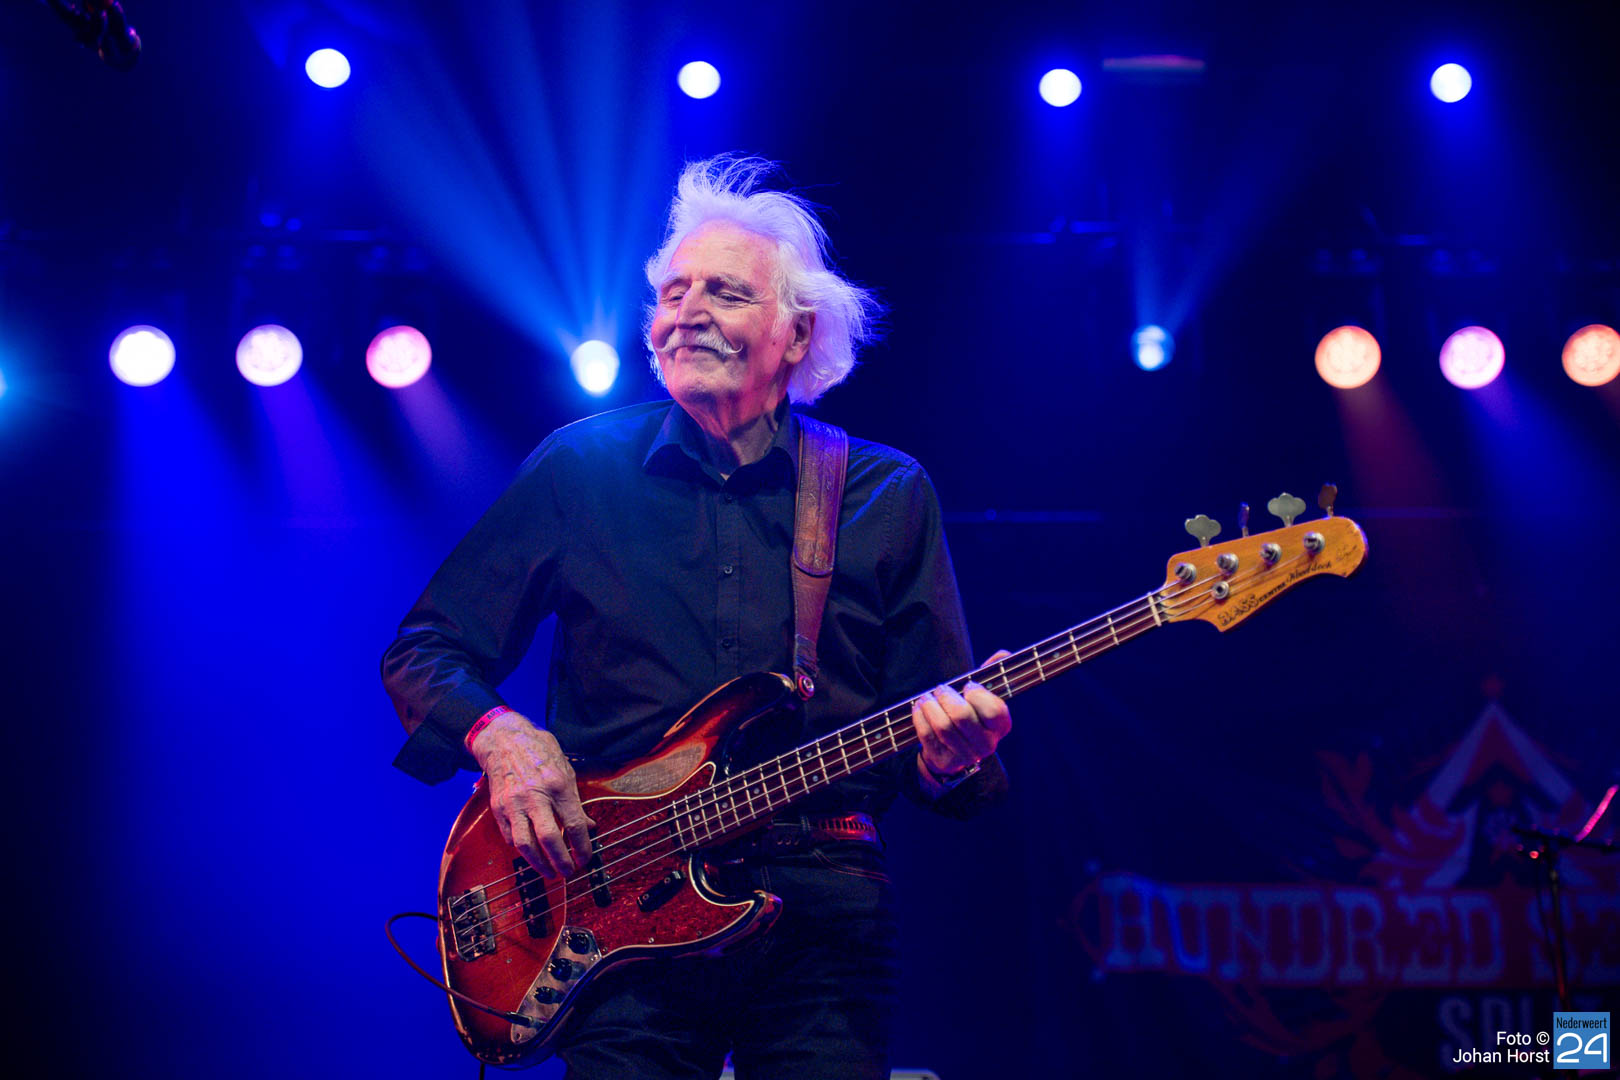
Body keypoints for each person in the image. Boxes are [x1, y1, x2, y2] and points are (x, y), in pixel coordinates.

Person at [382, 156, 1012, 1079]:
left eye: (725, 291)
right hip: (615, 910)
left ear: (798, 334)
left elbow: (933, 737)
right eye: (673, 292)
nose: (686, 311)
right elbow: (425, 648)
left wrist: (955, 756)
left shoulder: (885, 493)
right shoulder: (580, 470)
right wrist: (502, 737)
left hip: (822, 915)